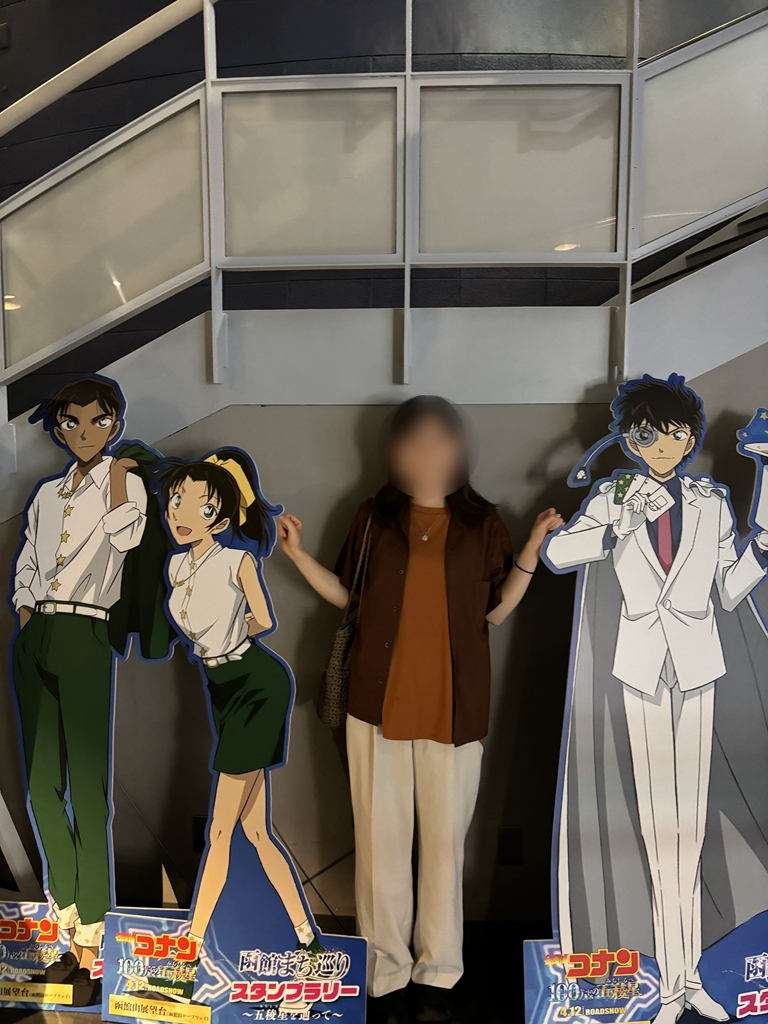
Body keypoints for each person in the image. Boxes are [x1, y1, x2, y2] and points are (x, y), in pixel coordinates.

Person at [279, 395, 562, 1024]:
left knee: (443, 846)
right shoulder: (373, 518)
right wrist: (296, 554)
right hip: (375, 704)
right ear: (394, 451)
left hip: (456, 710)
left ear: (459, 450)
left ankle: (439, 967)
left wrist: (532, 547)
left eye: (440, 440)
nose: (427, 453)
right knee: (379, 843)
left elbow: (495, 609)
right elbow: (350, 598)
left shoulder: (484, 522)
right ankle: (384, 968)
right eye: (414, 441)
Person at [546, 374, 768, 1024]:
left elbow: (730, 589)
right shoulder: (614, 495)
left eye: (675, 433)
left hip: (697, 671)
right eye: (649, 435)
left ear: (691, 439)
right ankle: (672, 988)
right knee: (653, 832)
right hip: (641, 672)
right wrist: (615, 525)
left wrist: (763, 543)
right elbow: (560, 550)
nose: (664, 446)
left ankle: (687, 981)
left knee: (687, 834)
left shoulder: (710, 502)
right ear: (630, 440)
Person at [149, 449, 318, 1003]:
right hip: (220, 687)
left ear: (220, 519)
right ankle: (306, 938)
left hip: (255, 684)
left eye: (199, 507)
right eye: (177, 501)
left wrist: (228, 633)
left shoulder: (237, 561)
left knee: (220, 831)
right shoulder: (175, 566)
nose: (182, 514)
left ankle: (187, 954)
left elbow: (263, 619)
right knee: (254, 831)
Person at [11, 376, 148, 1005]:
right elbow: (28, 561)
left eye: (98, 421)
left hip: (87, 631)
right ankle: (68, 926)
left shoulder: (124, 482)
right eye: (71, 422)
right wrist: (26, 613)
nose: (84, 432)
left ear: (114, 423)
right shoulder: (47, 493)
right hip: (38, 632)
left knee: (88, 791)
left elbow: (127, 538)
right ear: (59, 427)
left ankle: (94, 938)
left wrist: (116, 478)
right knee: (41, 784)